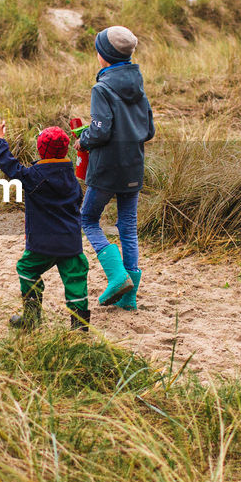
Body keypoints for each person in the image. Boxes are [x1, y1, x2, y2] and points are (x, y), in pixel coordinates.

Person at [77, 26, 154, 311]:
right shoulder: (139, 86)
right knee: (127, 228)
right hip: (133, 166)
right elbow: (148, 131)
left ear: (104, 56)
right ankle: (128, 297)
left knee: (87, 218)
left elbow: (99, 132)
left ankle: (117, 276)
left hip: (107, 168)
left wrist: (83, 140)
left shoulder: (102, 88)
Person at [0, 117, 90, 331]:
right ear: (64, 151)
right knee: (76, 282)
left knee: (26, 269)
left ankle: (32, 318)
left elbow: (9, 164)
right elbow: (78, 201)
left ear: (41, 151)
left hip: (43, 244)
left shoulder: (33, 176)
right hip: (71, 243)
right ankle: (80, 326)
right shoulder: (71, 178)